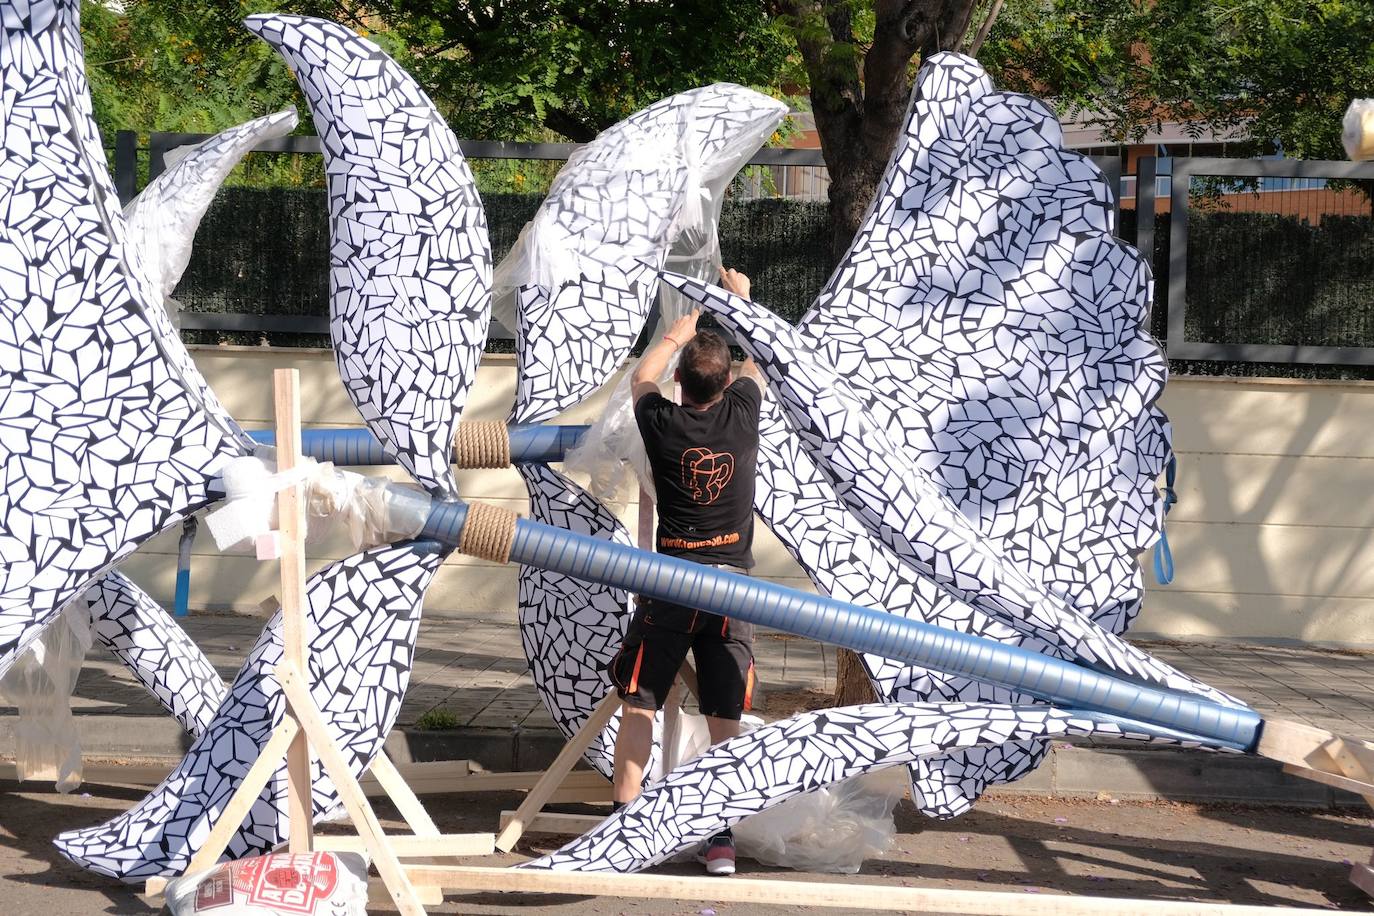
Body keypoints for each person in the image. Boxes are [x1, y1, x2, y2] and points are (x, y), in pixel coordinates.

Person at [608, 267, 765, 876]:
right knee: (724, 716)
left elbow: (641, 377)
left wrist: (679, 330)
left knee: (642, 702)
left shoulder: (663, 423)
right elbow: (759, 363)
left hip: (672, 584)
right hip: (732, 589)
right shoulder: (743, 413)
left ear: (682, 381)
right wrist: (740, 305)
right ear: (726, 385)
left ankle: (625, 825)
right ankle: (719, 838)